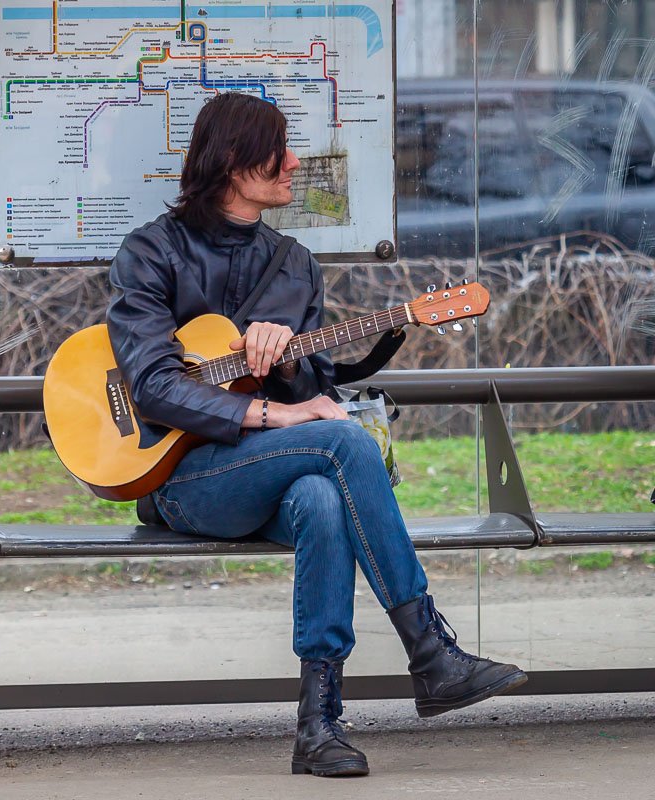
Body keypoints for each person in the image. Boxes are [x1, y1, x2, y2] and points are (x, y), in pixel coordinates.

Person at [107, 92, 527, 778]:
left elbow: (313, 389)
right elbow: (152, 385)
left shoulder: (295, 265)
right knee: (344, 441)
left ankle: (320, 725)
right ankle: (429, 651)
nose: (295, 163)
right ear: (234, 159)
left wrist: (288, 367)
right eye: (279, 149)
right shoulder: (152, 251)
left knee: (324, 499)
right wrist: (274, 414)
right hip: (181, 477)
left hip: (274, 475)